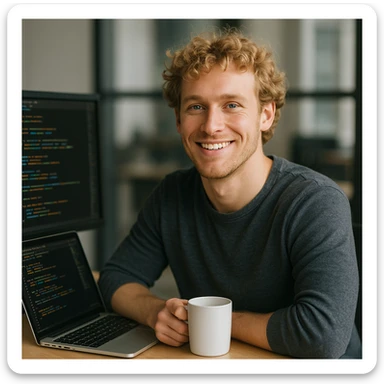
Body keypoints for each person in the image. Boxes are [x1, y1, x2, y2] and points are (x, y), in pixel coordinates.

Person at [98, 27, 361, 359]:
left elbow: (321, 336)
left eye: (232, 105)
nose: (211, 125)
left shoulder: (315, 201)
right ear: (178, 119)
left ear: (265, 115)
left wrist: (208, 320)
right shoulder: (173, 195)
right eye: (196, 107)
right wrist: (154, 312)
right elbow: (116, 278)